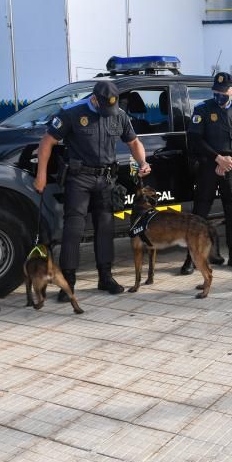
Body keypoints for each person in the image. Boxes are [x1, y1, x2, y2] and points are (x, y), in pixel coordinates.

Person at [35, 80, 151, 300]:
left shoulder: (118, 115)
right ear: (95, 99)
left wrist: (142, 162)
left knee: (106, 228)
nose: (109, 112)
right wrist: (41, 175)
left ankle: (105, 278)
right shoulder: (72, 113)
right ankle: (68, 282)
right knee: (74, 229)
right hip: (79, 179)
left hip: (106, 179)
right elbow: (47, 142)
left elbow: (134, 142)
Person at [181, 72, 232, 273]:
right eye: (216, 92)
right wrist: (218, 158)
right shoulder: (203, 109)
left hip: (231, 168)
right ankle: (190, 258)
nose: (219, 96)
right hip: (208, 167)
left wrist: (231, 160)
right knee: (199, 214)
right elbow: (195, 139)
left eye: (223, 93)